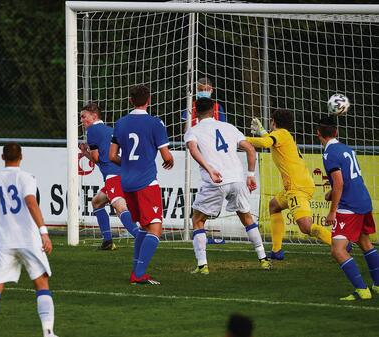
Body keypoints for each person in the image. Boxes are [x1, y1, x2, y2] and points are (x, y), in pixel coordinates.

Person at [0, 143, 58, 337]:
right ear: (21, 156)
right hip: (28, 240)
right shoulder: (26, 177)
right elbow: (31, 202)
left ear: (2, 157)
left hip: (4, 241)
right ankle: (48, 332)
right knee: (41, 283)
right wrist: (44, 232)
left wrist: (2, 222)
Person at [184, 98, 271, 274]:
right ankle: (263, 259)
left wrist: (209, 169)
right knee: (246, 217)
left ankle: (203, 266)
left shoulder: (192, 130)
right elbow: (251, 149)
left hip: (216, 180)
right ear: (214, 111)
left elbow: (193, 150)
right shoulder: (229, 127)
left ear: (195, 112)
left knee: (198, 220)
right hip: (237, 179)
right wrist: (251, 175)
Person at [109, 84, 174, 285]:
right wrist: (169, 160)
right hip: (146, 182)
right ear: (149, 100)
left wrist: (127, 163)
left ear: (130, 100)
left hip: (126, 181)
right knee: (155, 228)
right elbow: (166, 156)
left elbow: (112, 156)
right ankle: (139, 274)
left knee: (144, 228)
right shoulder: (156, 123)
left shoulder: (120, 123)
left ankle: (137, 271)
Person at [247, 110, 332, 259]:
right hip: (299, 184)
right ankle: (276, 251)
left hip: (297, 187)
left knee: (306, 227)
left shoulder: (281, 134)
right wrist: (261, 131)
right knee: (274, 205)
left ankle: (339, 243)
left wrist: (239, 139)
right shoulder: (284, 135)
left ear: (273, 122)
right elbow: (269, 139)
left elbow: (265, 143)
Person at [317, 117, 379, 300]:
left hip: (349, 206)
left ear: (318, 133)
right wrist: (331, 192)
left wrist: (332, 211)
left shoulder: (329, 154)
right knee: (364, 242)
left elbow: (339, 182)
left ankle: (362, 289)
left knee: (338, 250)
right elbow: (348, 179)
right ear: (336, 132)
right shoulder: (347, 149)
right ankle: (377, 284)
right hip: (363, 200)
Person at [79, 102, 139, 250]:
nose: (81, 120)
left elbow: (97, 158)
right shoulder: (111, 130)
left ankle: (141, 238)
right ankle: (107, 241)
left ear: (94, 116)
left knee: (120, 208)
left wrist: (85, 152)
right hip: (124, 173)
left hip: (113, 176)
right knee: (97, 202)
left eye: (83, 116)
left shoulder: (92, 131)